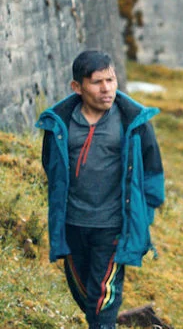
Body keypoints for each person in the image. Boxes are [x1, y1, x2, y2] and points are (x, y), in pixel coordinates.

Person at [36, 51, 165, 329]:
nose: (106, 88)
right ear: (77, 87)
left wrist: (144, 215)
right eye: (97, 82)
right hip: (72, 223)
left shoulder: (133, 122)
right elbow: (51, 166)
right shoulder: (59, 124)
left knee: (103, 295)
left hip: (113, 225)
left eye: (111, 79)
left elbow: (152, 170)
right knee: (84, 292)